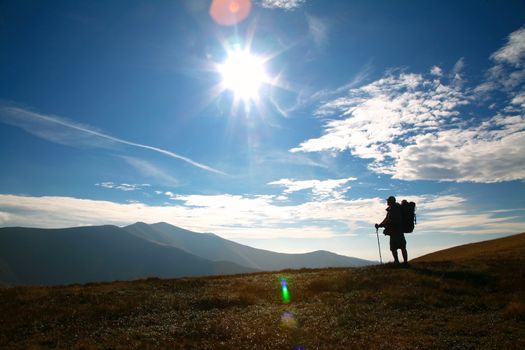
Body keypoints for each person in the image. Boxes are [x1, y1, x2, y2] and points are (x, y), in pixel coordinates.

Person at [375, 196, 408, 266]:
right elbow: (387, 220)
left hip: (394, 231)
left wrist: (380, 225)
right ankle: (405, 262)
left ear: (390, 202)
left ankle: (397, 262)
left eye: (388, 201)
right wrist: (380, 225)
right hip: (399, 231)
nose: (387, 202)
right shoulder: (397, 208)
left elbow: (388, 220)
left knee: (393, 248)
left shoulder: (393, 209)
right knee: (402, 247)